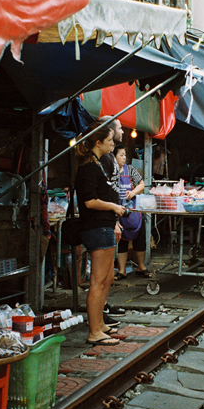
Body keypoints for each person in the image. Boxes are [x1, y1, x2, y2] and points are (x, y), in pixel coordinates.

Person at [74, 125, 126, 345]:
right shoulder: (88, 168)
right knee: (97, 280)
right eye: (110, 141)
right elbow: (89, 201)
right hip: (96, 226)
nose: (112, 144)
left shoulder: (98, 165)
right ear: (98, 142)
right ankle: (94, 331)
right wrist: (114, 207)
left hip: (104, 226)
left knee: (107, 278)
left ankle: (100, 325)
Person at [113, 144, 151, 279]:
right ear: (114, 156)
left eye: (125, 155)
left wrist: (133, 192)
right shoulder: (111, 171)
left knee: (140, 239)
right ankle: (122, 270)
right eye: (121, 155)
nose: (124, 158)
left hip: (134, 211)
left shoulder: (130, 169)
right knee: (122, 241)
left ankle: (141, 267)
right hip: (119, 211)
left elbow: (141, 184)